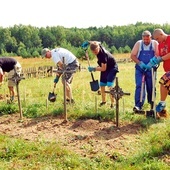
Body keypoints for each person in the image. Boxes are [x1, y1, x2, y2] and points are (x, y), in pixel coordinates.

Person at [130, 30, 159, 113]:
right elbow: (132, 55)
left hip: (151, 68)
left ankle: (152, 104)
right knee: (139, 86)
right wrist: (140, 63)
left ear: (151, 37)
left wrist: (151, 63)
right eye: (144, 39)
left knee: (151, 86)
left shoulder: (154, 43)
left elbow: (157, 54)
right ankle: (138, 105)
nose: (146, 41)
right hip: (140, 69)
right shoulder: (138, 44)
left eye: (148, 39)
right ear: (142, 38)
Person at [87, 41, 119, 108]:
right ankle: (104, 101)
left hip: (112, 67)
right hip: (105, 67)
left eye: (95, 51)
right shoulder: (98, 45)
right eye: (93, 52)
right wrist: (88, 42)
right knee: (102, 84)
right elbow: (97, 42)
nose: (95, 53)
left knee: (109, 84)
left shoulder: (102, 55)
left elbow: (103, 69)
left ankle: (113, 103)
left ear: (98, 48)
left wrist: (94, 69)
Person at [146, 28, 170, 115]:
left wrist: (161, 59)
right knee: (165, 85)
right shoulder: (160, 45)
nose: (157, 41)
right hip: (167, 70)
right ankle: (163, 110)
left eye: (157, 39)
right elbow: (159, 56)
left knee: (163, 81)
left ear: (161, 34)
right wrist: (152, 61)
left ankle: (162, 103)